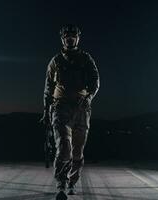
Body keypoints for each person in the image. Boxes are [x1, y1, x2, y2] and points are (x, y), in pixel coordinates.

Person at [39, 24, 100, 200]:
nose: (70, 39)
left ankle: (73, 181)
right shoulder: (56, 61)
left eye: (73, 36)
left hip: (81, 108)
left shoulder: (86, 59)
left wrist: (89, 97)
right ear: (63, 39)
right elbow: (48, 88)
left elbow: (96, 81)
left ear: (78, 38)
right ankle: (61, 183)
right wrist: (45, 110)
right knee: (64, 146)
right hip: (60, 107)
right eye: (67, 36)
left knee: (77, 151)